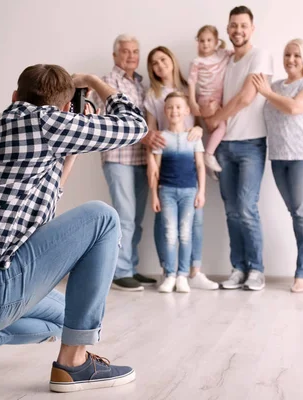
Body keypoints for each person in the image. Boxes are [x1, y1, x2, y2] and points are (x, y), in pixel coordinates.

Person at [0, 64, 148, 393]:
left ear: (15, 97)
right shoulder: (48, 122)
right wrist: (95, 82)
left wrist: (71, 152)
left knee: (67, 318)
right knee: (104, 217)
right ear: (66, 110)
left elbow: (36, 205)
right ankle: (74, 364)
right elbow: (135, 125)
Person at [204, 6, 274, 291]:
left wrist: (215, 118)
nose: (238, 30)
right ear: (228, 29)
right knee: (232, 211)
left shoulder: (260, 56)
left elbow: (246, 97)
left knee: (246, 208)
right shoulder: (228, 61)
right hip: (225, 146)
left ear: (252, 28)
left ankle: (256, 270)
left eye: (243, 25)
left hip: (251, 144)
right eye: (233, 25)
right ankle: (238, 269)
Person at [144, 46, 219, 290]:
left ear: (173, 61)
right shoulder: (152, 95)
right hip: (166, 167)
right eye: (154, 63)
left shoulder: (190, 88)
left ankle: (191, 272)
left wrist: (198, 128)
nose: (159, 66)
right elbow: (151, 131)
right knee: (167, 226)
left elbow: (199, 122)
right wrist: (152, 160)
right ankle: (169, 271)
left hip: (188, 164)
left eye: (163, 60)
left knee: (191, 225)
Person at [252, 38, 303, 293]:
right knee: (297, 214)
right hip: (279, 157)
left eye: (296, 55)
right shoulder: (274, 85)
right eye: (287, 55)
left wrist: (267, 93)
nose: (290, 60)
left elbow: (295, 108)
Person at [93, 34, 159, 291]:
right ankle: (120, 272)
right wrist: (144, 136)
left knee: (137, 218)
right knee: (125, 216)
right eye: (125, 51)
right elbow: (110, 119)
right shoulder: (107, 82)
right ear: (115, 55)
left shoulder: (142, 85)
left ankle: (130, 266)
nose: (131, 55)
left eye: (135, 51)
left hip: (142, 159)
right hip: (118, 157)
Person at [149, 92, 206, 293]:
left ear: (187, 111)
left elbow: (200, 166)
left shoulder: (194, 137)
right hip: (167, 192)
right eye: (170, 107)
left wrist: (202, 193)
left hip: (190, 192)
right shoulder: (161, 138)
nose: (174, 111)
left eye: (179, 107)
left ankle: (183, 275)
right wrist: (154, 195)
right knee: (170, 233)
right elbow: (155, 170)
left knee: (185, 234)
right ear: (165, 111)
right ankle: (170, 274)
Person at [187, 25, 232, 173]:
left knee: (216, 130)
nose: (205, 44)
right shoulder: (197, 61)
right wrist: (193, 102)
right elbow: (192, 82)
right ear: (197, 42)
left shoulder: (222, 54)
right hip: (206, 99)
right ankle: (208, 154)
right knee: (221, 127)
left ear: (216, 42)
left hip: (219, 99)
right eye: (202, 40)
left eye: (209, 40)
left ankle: (211, 161)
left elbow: (237, 54)